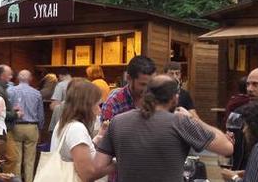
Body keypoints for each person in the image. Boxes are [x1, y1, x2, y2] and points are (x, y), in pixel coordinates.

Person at [94, 75, 233, 182]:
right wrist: (194, 119)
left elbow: (98, 166)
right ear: (175, 98)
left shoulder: (118, 121)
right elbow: (227, 148)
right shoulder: (181, 122)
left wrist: (129, 160)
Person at [50, 78, 111, 182]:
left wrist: (98, 137)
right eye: (97, 104)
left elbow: (76, 152)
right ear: (87, 106)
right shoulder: (76, 129)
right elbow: (87, 174)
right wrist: (115, 165)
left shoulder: (65, 123)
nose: (99, 110)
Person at [7, 70, 44, 182]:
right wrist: (40, 128)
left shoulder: (10, 91)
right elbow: (41, 114)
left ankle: (17, 180)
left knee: (16, 159)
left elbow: (8, 109)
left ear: (18, 78)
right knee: (30, 160)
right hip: (32, 127)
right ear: (31, 79)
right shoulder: (37, 93)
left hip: (15, 126)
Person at [100, 55, 156, 121]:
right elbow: (105, 129)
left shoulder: (158, 99)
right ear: (129, 78)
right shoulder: (113, 102)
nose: (148, 89)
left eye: (151, 83)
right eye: (143, 84)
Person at [48, 68, 72, 133]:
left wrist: (51, 105)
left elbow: (55, 105)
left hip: (62, 121)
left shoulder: (61, 85)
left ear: (60, 76)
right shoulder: (79, 84)